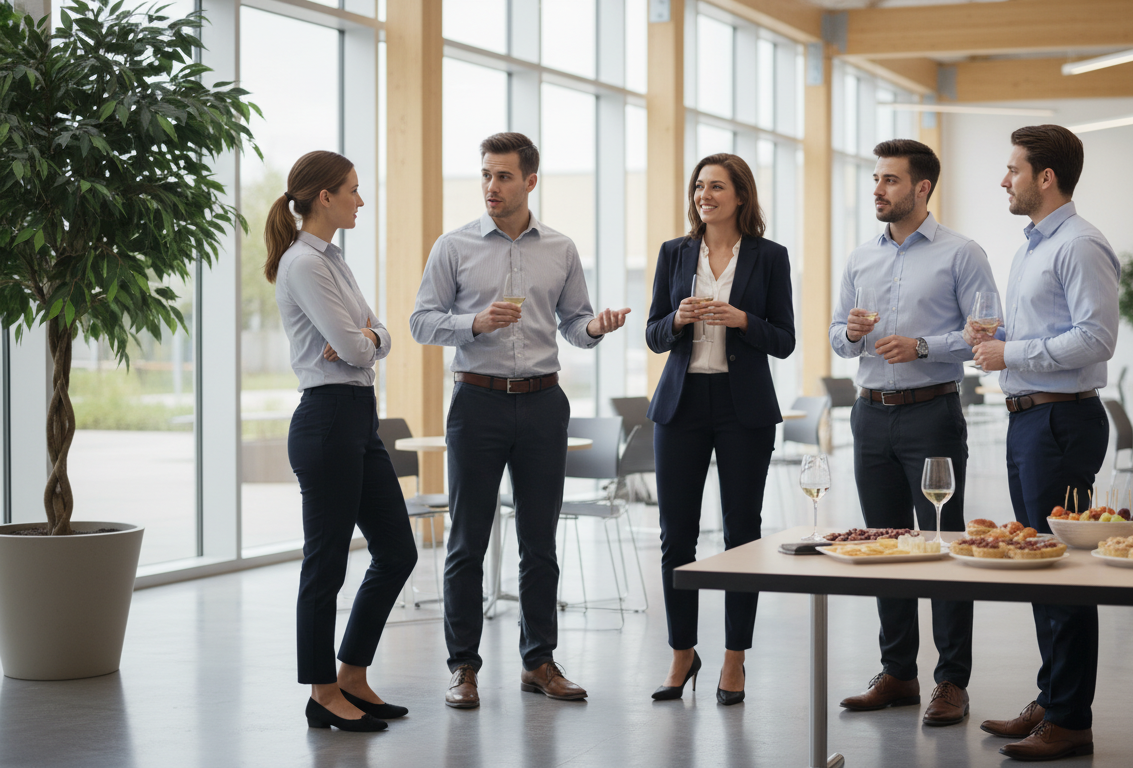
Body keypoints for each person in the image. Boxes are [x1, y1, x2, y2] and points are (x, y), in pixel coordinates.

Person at [409, 132, 630, 710]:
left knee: (539, 541)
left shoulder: (560, 248)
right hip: (476, 403)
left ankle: (539, 662)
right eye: (485, 174)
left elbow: (575, 325)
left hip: (542, 402)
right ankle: (463, 667)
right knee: (466, 543)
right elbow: (420, 322)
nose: (491, 186)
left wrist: (598, 327)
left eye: (504, 176)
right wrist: (474, 324)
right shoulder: (453, 246)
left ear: (530, 181)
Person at [829, 139, 997, 725]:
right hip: (870, 412)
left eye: (891, 181)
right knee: (883, 544)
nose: (878, 189)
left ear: (922, 188)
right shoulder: (859, 258)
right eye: (876, 179)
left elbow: (986, 333)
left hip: (932, 412)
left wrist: (924, 345)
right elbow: (835, 336)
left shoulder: (962, 254)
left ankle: (952, 681)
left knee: (943, 544)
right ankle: (898, 672)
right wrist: (850, 333)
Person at [968, 125, 1119, 761]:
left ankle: (1070, 719)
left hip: (1062, 423)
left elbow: (1096, 338)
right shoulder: (1034, 245)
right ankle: (1052, 696)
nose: (1005, 180)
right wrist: (1001, 333)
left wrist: (1013, 351)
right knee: (1038, 563)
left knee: (1062, 571)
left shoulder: (1080, 245)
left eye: (1013, 170)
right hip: (1032, 420)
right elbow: (1051, 329)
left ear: (1045, 177)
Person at [268, 150, 418, 732]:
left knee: (397, 551)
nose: (361, 199)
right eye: (353, 190)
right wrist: (364, 339)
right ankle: (321, 691)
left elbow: (378, 335)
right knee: (325, 564)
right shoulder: (303, 264)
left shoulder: (334, 261)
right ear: (324, 196)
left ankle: (352, 675)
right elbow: (359, 349)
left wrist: (366, 337)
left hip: (359, 417)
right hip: (327, 419)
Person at [646, 153, 795, 706]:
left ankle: (735, 659)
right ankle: (683, 652)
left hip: (743, 408)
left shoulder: (769, 257)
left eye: (716, 186)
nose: (705, 194)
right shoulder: (673, 253)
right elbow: (654, 335)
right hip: (681, 405)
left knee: (742, 536)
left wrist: (741, 321)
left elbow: (784, 338)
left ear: (740, 196)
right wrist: (678, 319)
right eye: (699, 186)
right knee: (675, 537)